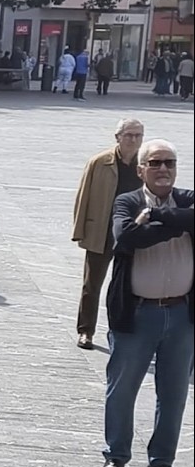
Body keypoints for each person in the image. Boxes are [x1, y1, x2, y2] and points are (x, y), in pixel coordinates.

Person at [100, 139, 192, 467]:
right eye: (155, 163)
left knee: (174, 393)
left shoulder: (186, 198)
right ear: (141, 170)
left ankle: (162, 461)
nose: (163, 169)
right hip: (137, 313)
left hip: (181, 313)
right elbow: (126, 237)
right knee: (121, 389)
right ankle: (116, 454)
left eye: (169, 162)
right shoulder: (128, 201)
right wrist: (175, 224)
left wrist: (155, 217)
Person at [71, 119, 144, 350]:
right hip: (100, 231)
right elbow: (83, 197)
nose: (133, 140)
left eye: (138, 135)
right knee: (91, 286)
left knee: (127, 287)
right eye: (129, 135)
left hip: (131, 233)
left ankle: (121, 332)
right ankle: (85, 331)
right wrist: (79, 230)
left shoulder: (145, 164)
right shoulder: (100, 162)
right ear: (117, 137)